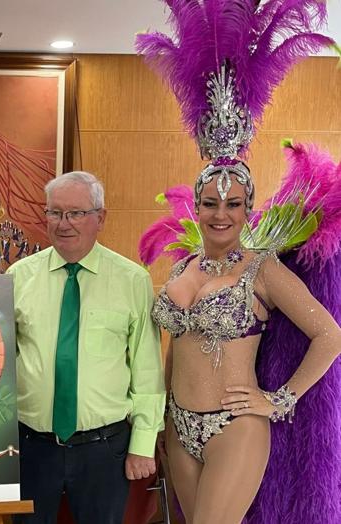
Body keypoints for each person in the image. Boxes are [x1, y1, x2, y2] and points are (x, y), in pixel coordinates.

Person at [136, 1, 341, 522]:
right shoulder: (182, 267)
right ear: (197, 206)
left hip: (235, 428)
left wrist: (281, 400)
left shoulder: (264, 268)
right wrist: (160, 421)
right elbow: (174, 345)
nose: (220, 214)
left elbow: (330, 334)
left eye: (233, 204)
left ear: (248, 209)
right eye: (210, 203)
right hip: (178, 428)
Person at [7, 171, 165, 523]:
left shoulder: (132, 280)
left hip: (104, 449)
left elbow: (147, 370)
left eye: (76, 213)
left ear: (100, 218)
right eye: (55, 213)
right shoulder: (17, 277)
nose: (64, 224)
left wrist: (142, 444)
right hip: (30, 446)